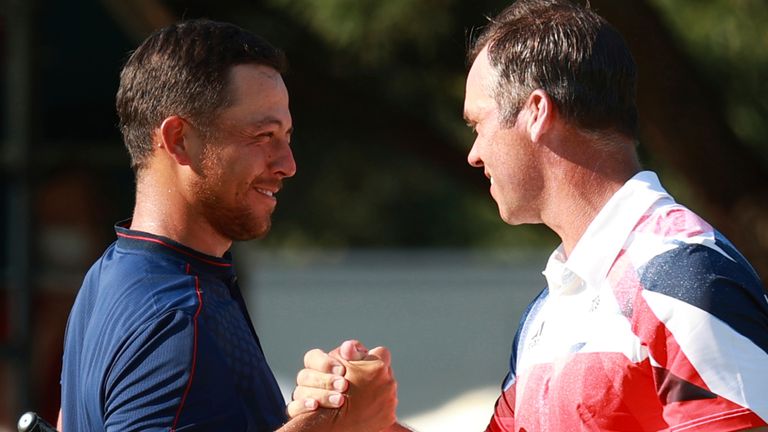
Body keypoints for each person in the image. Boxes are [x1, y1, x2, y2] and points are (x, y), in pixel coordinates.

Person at [289, 0, 768, 430]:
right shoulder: (553, 305)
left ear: (536, 111)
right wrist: (368, 425)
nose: (473, 154)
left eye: (479, 124)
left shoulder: (679, 275)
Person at [58, 19, 398, 431]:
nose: (287, 164)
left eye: (287, 136)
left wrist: (311, 415)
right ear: (179, 139)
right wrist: (332, 425)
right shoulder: (178, 320)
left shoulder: (110, 275)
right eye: (262, 135)